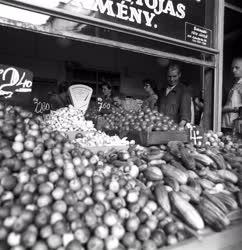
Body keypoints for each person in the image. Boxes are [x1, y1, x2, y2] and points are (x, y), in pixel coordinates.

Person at [222, 57, 242, 130]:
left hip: (234, 126)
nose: (233, 70)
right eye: (232, 68)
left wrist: (227, 109)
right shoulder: (235, 84)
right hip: (227, 123)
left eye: (237, 68)